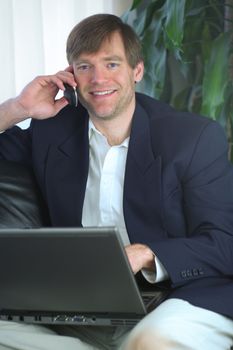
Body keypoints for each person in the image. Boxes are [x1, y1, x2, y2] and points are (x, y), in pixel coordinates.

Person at [0, 13, 233, 350]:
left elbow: (225, 242)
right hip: (85, 304)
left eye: (111, 64)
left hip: (180, 296)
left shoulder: (191, 138)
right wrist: (17, 108)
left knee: (148, 342)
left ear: (136, 71)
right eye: (84, 66)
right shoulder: (50, 131)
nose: (98, 79)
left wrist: (147, 254)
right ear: (71, 76)